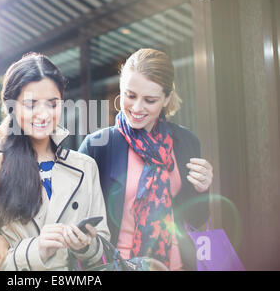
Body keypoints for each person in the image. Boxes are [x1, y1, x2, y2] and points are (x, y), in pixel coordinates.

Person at [0, 53, 110, 271]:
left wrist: (85, 246)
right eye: (31, 104)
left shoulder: (85, 167)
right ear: (11, 108)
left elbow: (104, 253)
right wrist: (37, 250)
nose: (43, 115)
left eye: (52, 104)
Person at [78, 48, 212, 271]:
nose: (137, 108)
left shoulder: (186, 142)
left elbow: (197, 219)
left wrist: (202, 189)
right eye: (130, 96)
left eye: (150, 100)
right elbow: (80, 223)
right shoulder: (97, 147)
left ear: (167, 98)